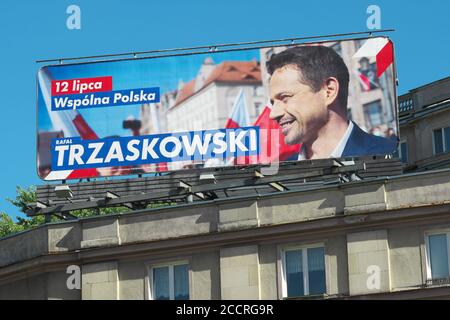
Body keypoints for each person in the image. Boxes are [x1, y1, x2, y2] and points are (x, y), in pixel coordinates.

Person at [267, 45, 397, 160]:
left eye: (285, 98)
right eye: (273, 102)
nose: (273, 114)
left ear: (329, 91)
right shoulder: (281, 171)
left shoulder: (391, 155)